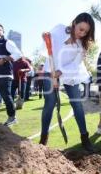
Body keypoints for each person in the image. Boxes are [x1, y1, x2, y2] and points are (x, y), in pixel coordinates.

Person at [39, 13, 94, 152]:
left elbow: (75, 65)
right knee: (50, 103)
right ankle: (43, 137)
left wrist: (60, 72)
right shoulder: (59, 29)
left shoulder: (81, 46)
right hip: (49, 70)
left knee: (77, 103)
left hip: (69, 74)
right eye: (81, 29)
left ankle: (84, 137)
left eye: (86, 32)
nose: (82, 33)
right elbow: (46, 48)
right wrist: (45, 38)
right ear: (74, 23)